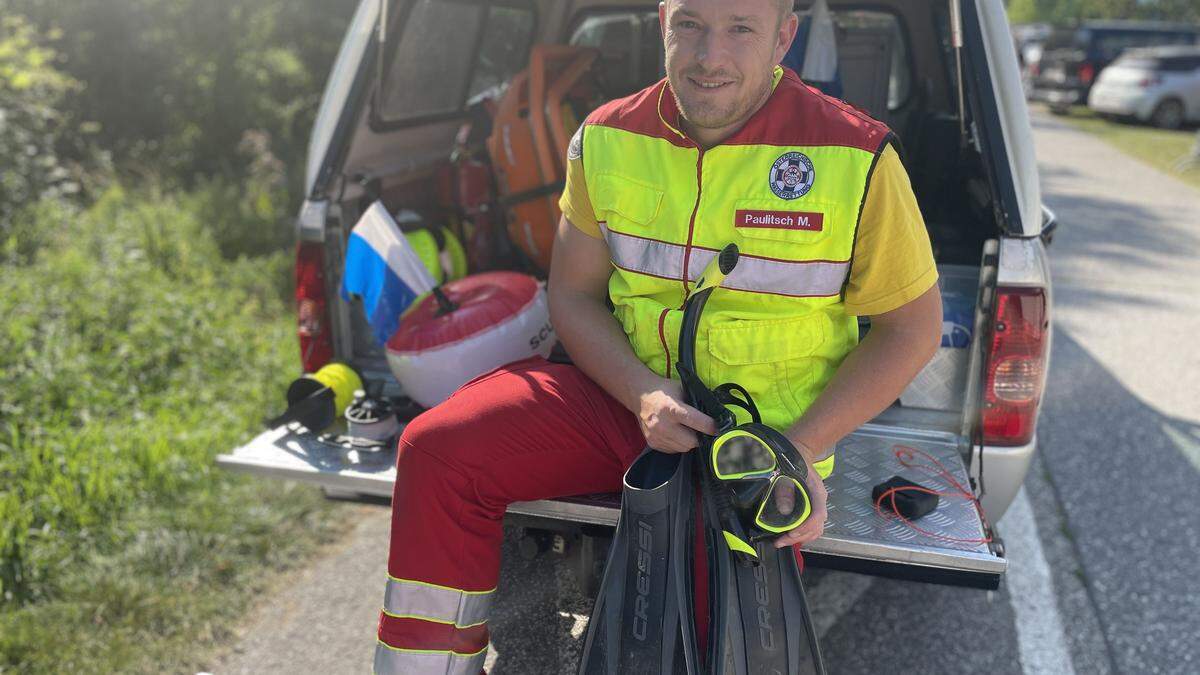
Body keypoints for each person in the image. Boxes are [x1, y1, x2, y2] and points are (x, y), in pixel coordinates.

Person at [373, 1, 942, 672]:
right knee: (439, 451)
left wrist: (800, 448)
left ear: (783, 37)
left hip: (761, 445)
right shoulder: (605, 137)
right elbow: (573, 296)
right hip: (625, 404)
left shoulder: (857, 153)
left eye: (740, 29)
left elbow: (912, 329)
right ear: (662, 27)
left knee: (696, 639)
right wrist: (643, 392)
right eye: (691, 25)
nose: (710, 56)